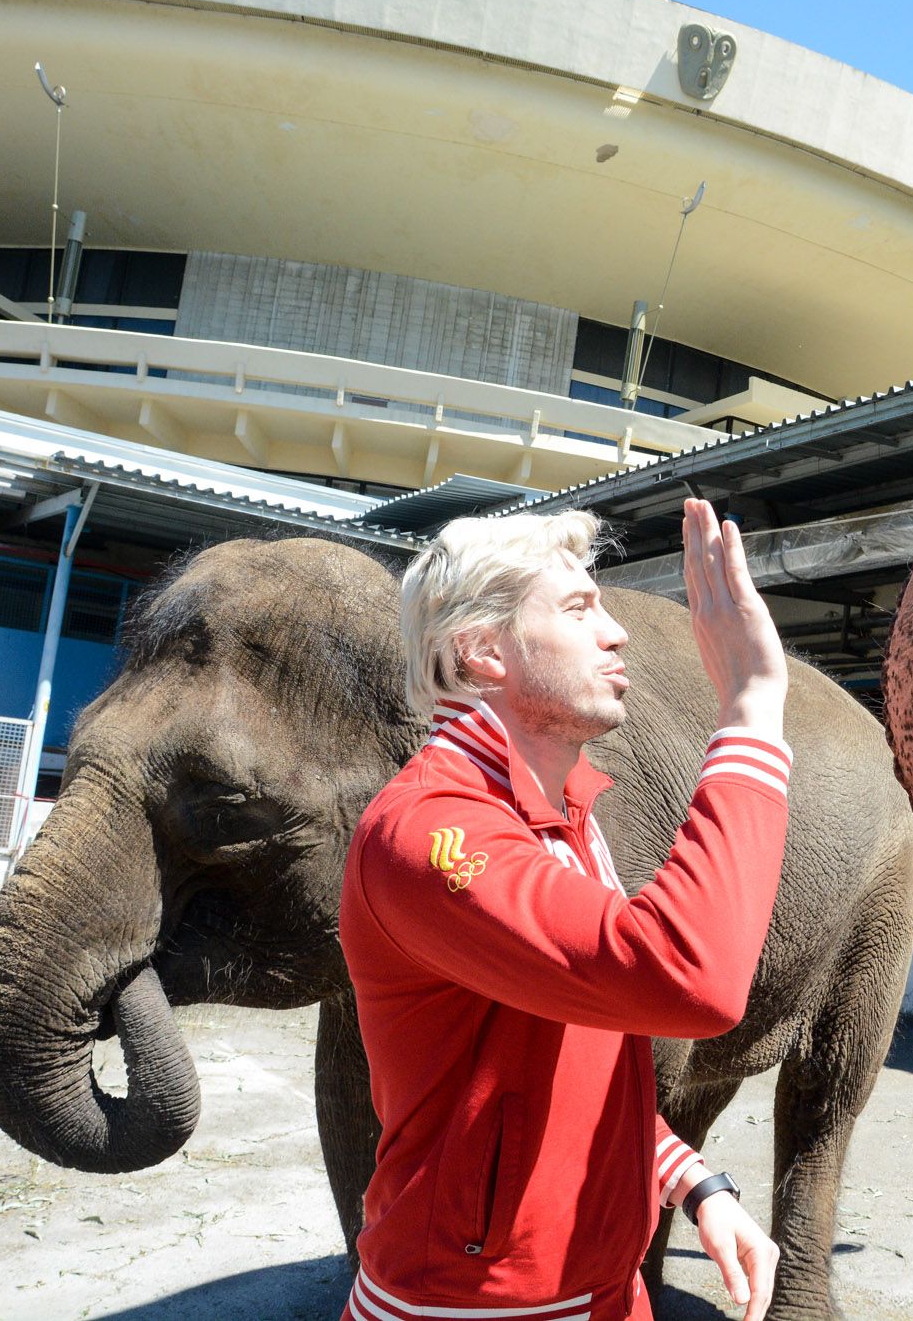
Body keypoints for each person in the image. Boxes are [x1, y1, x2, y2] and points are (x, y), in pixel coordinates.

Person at [338, 499, 791, 1321]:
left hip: (601, 1290)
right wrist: (752, 710)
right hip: (476, 1306)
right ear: (481, 649)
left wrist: (691, 1181)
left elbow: (565, 1068)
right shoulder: (432, 829)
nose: (616, 632)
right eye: (580, 608)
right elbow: (690, 976)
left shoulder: (562, 814)